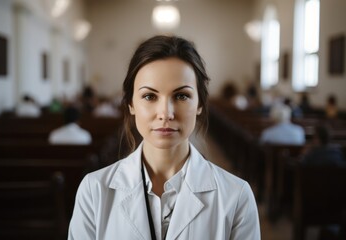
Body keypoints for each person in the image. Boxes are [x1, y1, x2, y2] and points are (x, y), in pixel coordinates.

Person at [68, 35, 260, 240]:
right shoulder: (94, 190)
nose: (166, 113)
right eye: (149, 96)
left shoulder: (237, 196)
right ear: (131, 104)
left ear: (200, 104)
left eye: (181, 96)